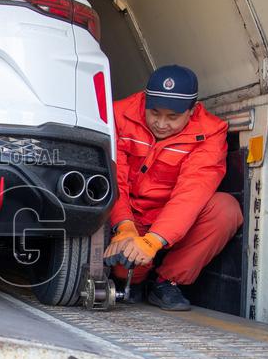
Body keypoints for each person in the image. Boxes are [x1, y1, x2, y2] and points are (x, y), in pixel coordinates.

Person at [103, 65, 243, 311]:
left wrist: (154, 241)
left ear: (192, 111)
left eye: (172, 117)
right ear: (145, 100)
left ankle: (167, 282)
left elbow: (192, 193)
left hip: (174, 222)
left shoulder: (210, 133)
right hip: (129, 215)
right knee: (128, 269)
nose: (161, 124)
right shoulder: (118, 115)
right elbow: (115, 178)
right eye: (154, 113)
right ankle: (132, 281)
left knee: (226, 210)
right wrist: (124, 225)